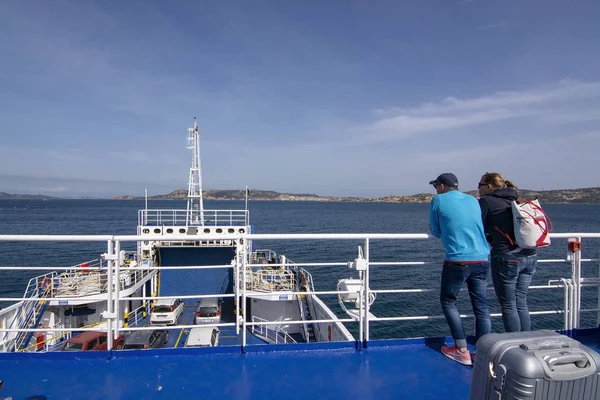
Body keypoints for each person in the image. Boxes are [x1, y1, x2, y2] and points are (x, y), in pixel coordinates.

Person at [429, 173, 491, 366]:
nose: (435, 189)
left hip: (457, 260)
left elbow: (435, 230)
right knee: (481, 305)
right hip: (482, 258)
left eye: (435, 186)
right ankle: (484, 352)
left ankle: (461, 349)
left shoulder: (438, 200)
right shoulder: (473, 199)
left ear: (441, 186)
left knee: (448, 301)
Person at [478, 172, 537, 332]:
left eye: (480, 185)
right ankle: (526, 341)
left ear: (489, 186)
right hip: (530, 255)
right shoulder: (515, 199)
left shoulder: (487, 201)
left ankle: (516, 345)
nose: (478, 189)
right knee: (521, 301)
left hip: (507, 257)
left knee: (509, 304)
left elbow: (478, 226)